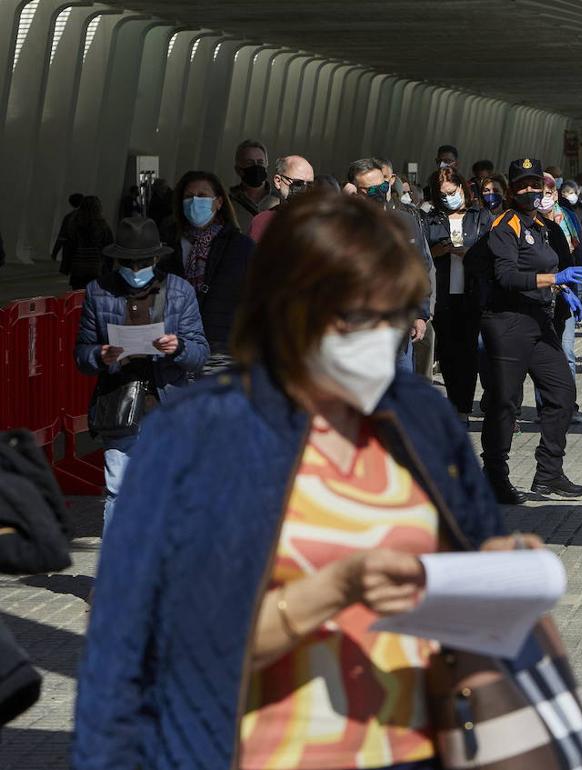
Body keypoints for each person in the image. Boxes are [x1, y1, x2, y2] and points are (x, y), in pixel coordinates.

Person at [71, 194, 552, 770]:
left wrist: (493, 571)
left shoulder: (420, 420)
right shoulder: (193, 437)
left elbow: (469, 547)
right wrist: (331, 591)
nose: (378, 337)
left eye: (392, 315)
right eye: (354, 317)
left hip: (407, 743)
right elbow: (131, 636)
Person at [74, 217, 207, 532]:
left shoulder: (179, 291)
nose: (136, 270)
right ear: (118, 261)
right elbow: (81, 354)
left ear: (156, 259)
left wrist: (178, 347)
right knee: (119, 490)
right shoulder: (99, 292)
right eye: (129, 263)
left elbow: (200, 354)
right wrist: (100, 355)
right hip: (120, 406)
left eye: (143, 262)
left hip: (168, 405)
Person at [478, 158, 582, 504]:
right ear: (511, 190)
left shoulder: (541, 225)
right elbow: (507, 276)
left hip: (540, 321)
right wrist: (555, 279)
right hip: (508, 322)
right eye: (522, 186)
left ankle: (549, 472)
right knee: (505, 404)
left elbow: (548, 266)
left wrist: (562, 291)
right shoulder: (505, 224)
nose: (530, 191)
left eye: (534, 185)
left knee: (562, 394)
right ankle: (495, 476)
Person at [347, 158, 434, 378]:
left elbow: (420, 268)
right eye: (371, 189)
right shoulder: (344, 226)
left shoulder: (407, 221)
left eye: (382, 185)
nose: (379, 192)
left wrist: (421, 314)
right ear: (356, 191)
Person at [159, 171, 255, 368]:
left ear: (219, 202)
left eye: (202, 196)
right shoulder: (169, 248)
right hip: (179, 349)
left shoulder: (240, 247)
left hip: (223, 351)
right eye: (188, 196)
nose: (195, 202)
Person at [426, 167, 490, 418]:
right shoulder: (431, 219)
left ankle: (464, 407)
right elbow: (423, 252)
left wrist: (470, 253)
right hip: (443, 294)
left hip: (472, 293)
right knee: (449, 354)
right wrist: (438, 251)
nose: (448, 199)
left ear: (462, 188)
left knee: (471, 354)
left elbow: (492, 250)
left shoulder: (480, 216)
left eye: (452, 192)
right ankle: (456, 404)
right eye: (443, 195)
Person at [537, 173, 582, 424]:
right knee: (542, 351)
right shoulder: (529, 222)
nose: (544, 199)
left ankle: (568, 405)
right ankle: (545, 406)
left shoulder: (569, 218)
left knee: (566, 350)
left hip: (569, 290)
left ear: (556, 194)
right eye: (540, 194)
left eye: (549, 193)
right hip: (540, 290)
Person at [248, 154, 315, 243]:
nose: (305, 189)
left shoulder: (320, 223)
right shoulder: (262, 222)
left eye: (310, 185)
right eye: (298, 183)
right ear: (278, 181)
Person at [60, 196, 114, 290]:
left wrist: (66, 267)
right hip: (96, 269)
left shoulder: (74, 226)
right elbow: (109, 250)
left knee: (79, 297)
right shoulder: (103, 227)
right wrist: (108, 271)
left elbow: (68, 248)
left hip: (78, 270)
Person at [228, 138, 278, 234]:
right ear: (238, 170)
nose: (256, 167)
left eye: (260, 163)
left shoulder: (280, 201)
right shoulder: (228, 202)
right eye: (249, 163)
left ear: (266, 166)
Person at [49, 193, 84, 263]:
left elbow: (62, 236)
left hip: (70, 251)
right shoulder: (91, 217)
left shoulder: (68, 217)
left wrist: (54, 253)